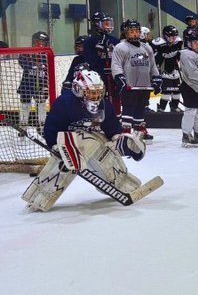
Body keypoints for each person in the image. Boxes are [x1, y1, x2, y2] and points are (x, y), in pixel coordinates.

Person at [22, 66, 148, 212]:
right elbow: (51, 128)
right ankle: (40, 196)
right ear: (78, 90)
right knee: (62, 165)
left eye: (98, 92)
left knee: (107, 157)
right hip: (70, 145)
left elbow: (112, 130)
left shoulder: (104, 104)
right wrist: (54, 146)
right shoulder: (65, 103)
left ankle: (123, 185)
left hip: (95, 143)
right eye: (91, 92)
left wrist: (122, 141)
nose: (95, 97)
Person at [111, 18, 157, 141]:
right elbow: (116, 65)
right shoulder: (121, 47)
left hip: (144, 84)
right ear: (126, 33)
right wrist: (119, 77)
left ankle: (139, 129)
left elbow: (152, 65)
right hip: (129, 85)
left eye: (137, 31)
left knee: (141, 106)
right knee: (128, 107)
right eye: (132, 32)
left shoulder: (146, 48)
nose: (135, 34)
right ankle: (126, 130)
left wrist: (157, 78)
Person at [17, 31, 51, 126]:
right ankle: (23, 124)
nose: (40, 44)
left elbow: (49, 69)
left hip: (41, 85)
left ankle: (43, 124)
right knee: (25, 105)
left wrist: (46, 85)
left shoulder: (48, 55)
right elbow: (21, 61)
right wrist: (33, 65)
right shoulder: (27, 53)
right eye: (37, 42)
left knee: (41, 105)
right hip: (26, 84)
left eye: (42, 42)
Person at [152, 25, 183, 116]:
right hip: (164, 72)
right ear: (165, 36)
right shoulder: (160, 44)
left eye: (175, 36)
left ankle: (174, 106)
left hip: (175, 72)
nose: (174, 38)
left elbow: (179, 57)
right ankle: (161, 108)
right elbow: (156, 59)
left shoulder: (178, 42)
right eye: (171, 36)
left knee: (177, 91)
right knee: (166, 92)